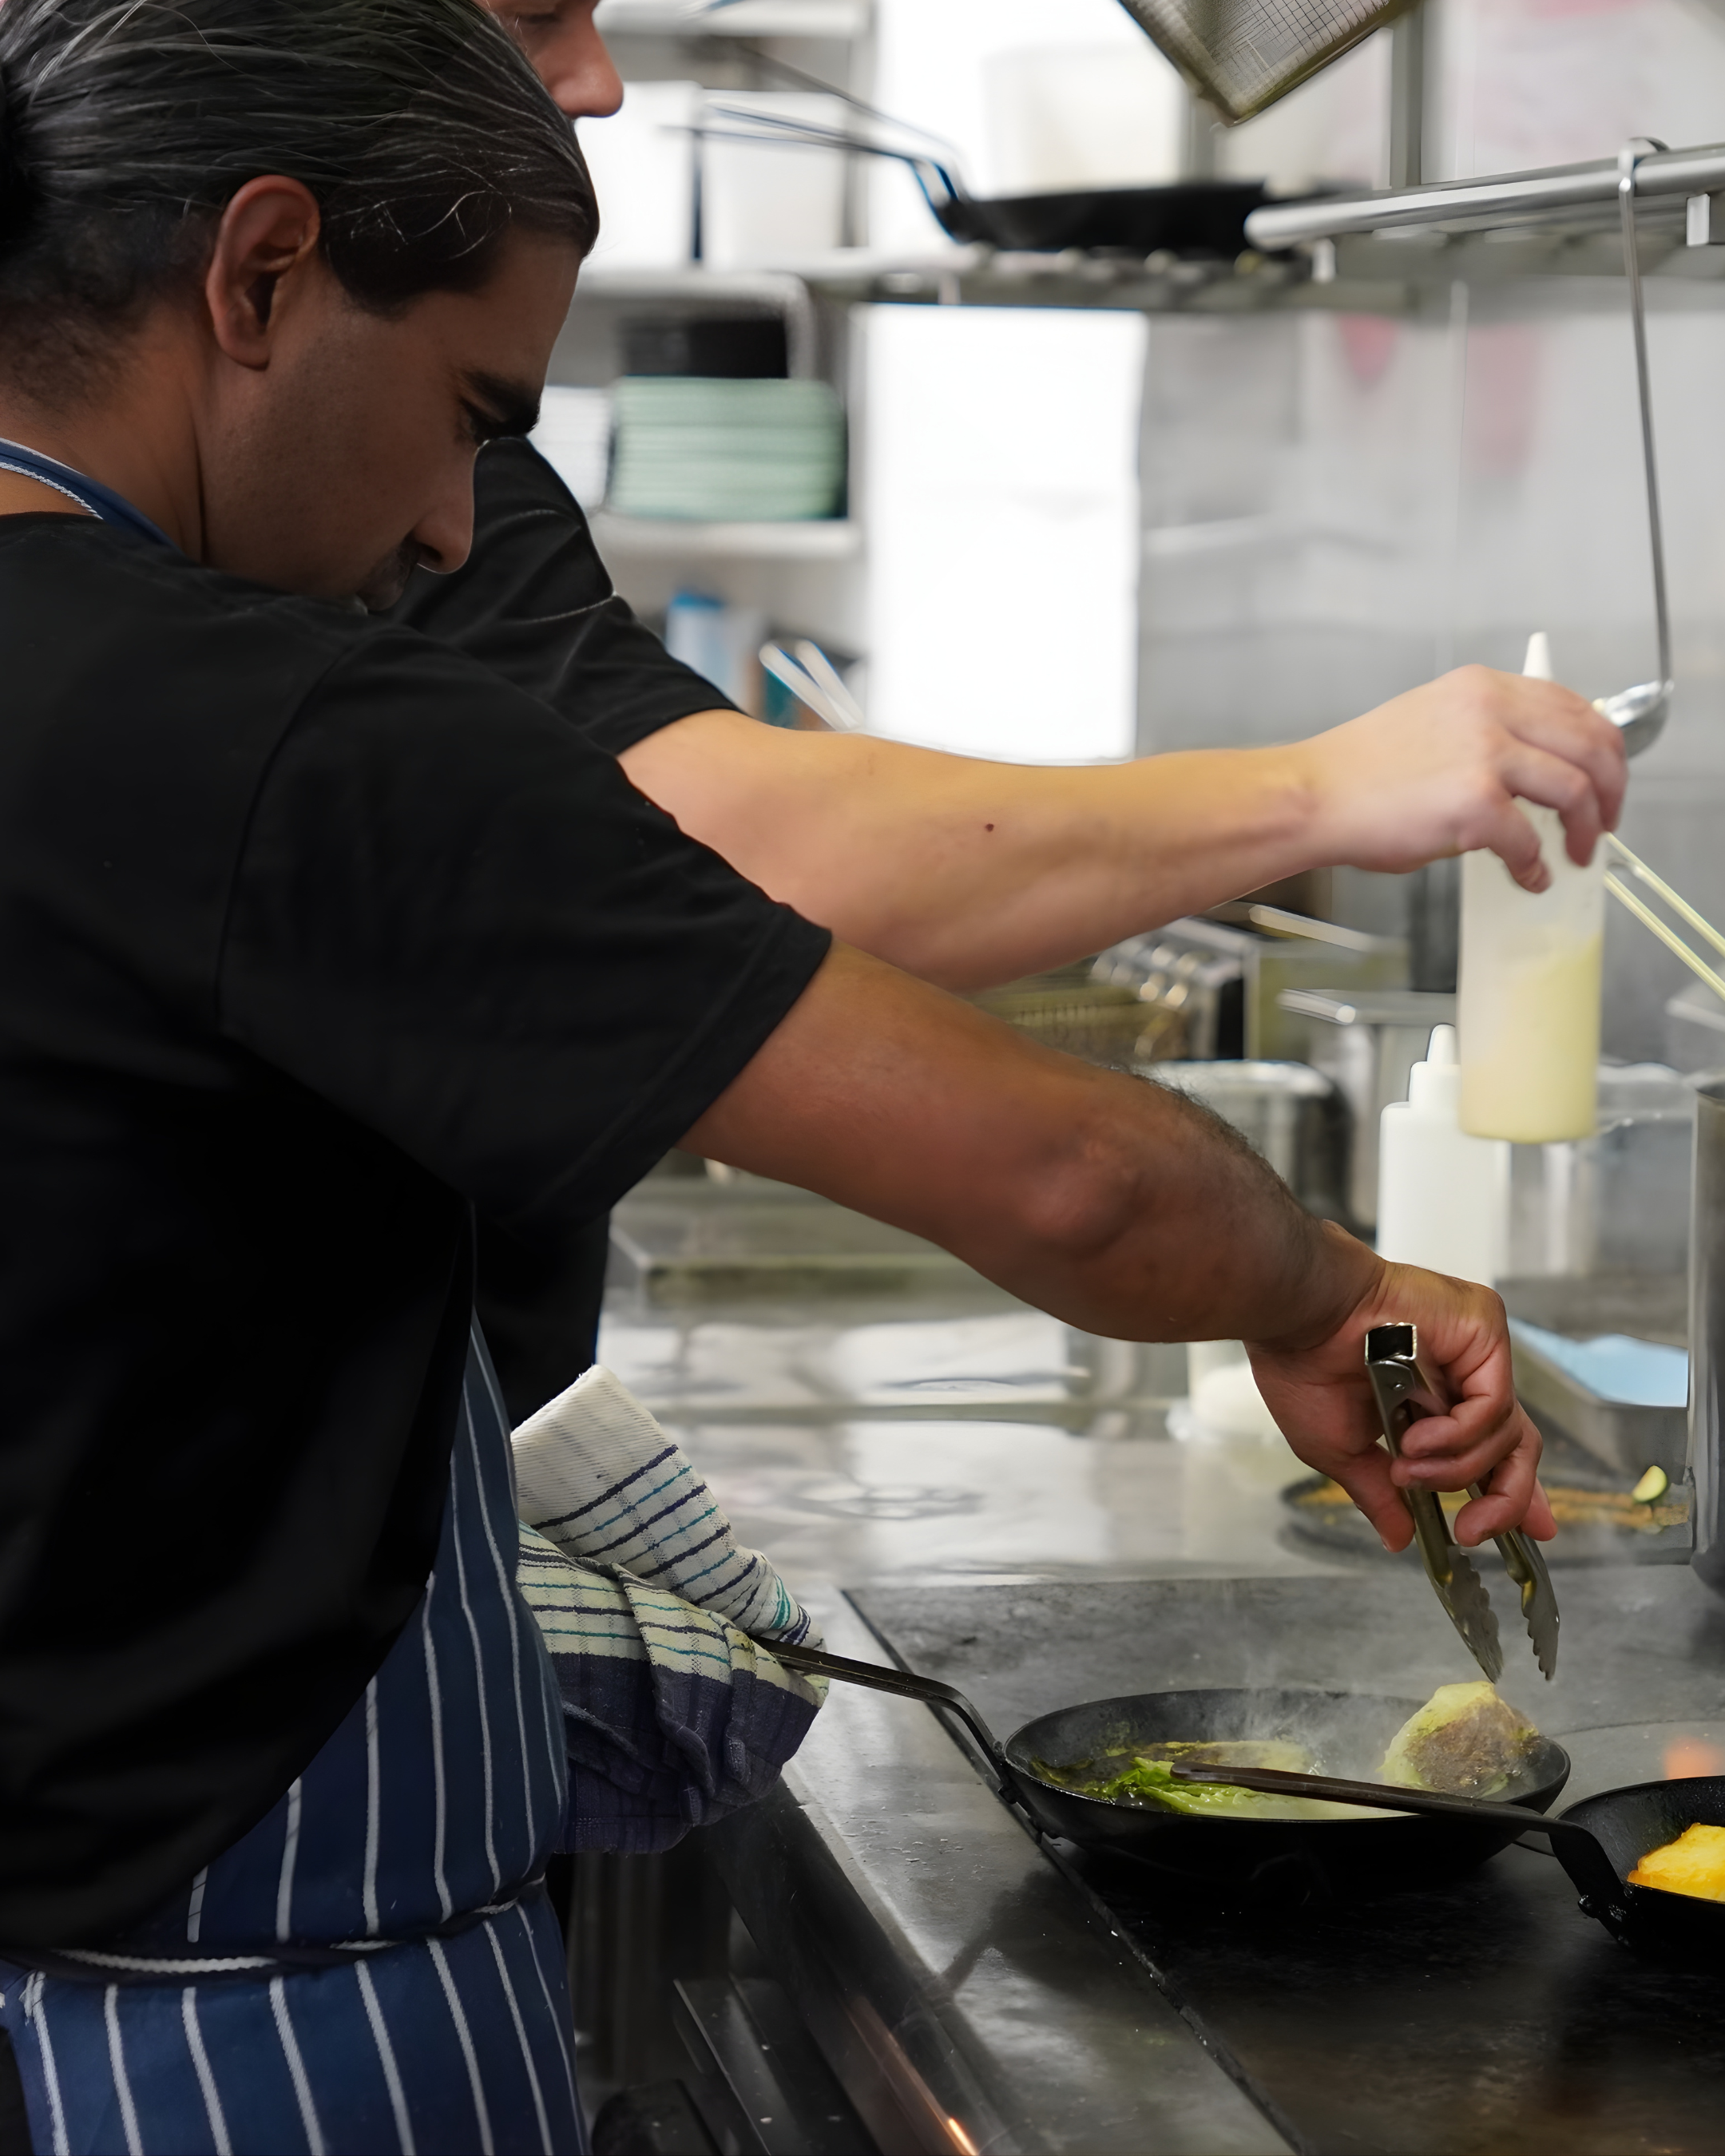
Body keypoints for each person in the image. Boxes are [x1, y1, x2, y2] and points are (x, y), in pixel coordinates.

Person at [0, 0, 1551, 2146]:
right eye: (470, 417)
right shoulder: (283, 731)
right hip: (222, 2034)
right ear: (260, 272)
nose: (451, 532)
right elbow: (1070, 1181)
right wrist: (1332, 1292)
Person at [391, 0, 1630, 1421]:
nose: (600, 82)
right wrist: (1322, 792)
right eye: (539, 15)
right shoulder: (387, 474)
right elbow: (704, 860)